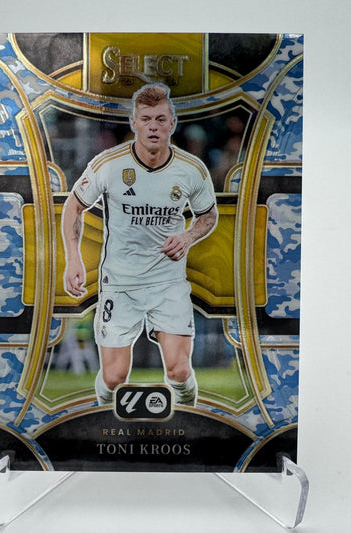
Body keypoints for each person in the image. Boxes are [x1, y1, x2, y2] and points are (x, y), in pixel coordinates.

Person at [61, 83, 218, 406]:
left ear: (172, 123)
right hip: (120, 282)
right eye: (146, 119)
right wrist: (73, 259)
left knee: (179, 371)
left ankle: (189, 415)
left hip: (167, 282)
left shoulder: (191, 169)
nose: (153, 127)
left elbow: (208, 215)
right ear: (134, 123)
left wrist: (187, 237)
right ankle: (102, 415)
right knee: (113, 377)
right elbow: (73, 206)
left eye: (160, 119)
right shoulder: (109, 164)